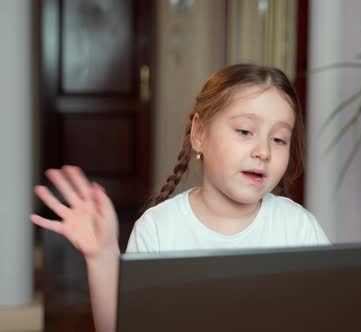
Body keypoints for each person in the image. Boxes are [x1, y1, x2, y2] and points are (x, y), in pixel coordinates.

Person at [30, 64, 330, 332]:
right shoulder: (159, 228)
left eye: (279, 139)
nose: (263, 151)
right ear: (199, 133)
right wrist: (102, 256)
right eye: (245, 131)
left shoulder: (298, 228)